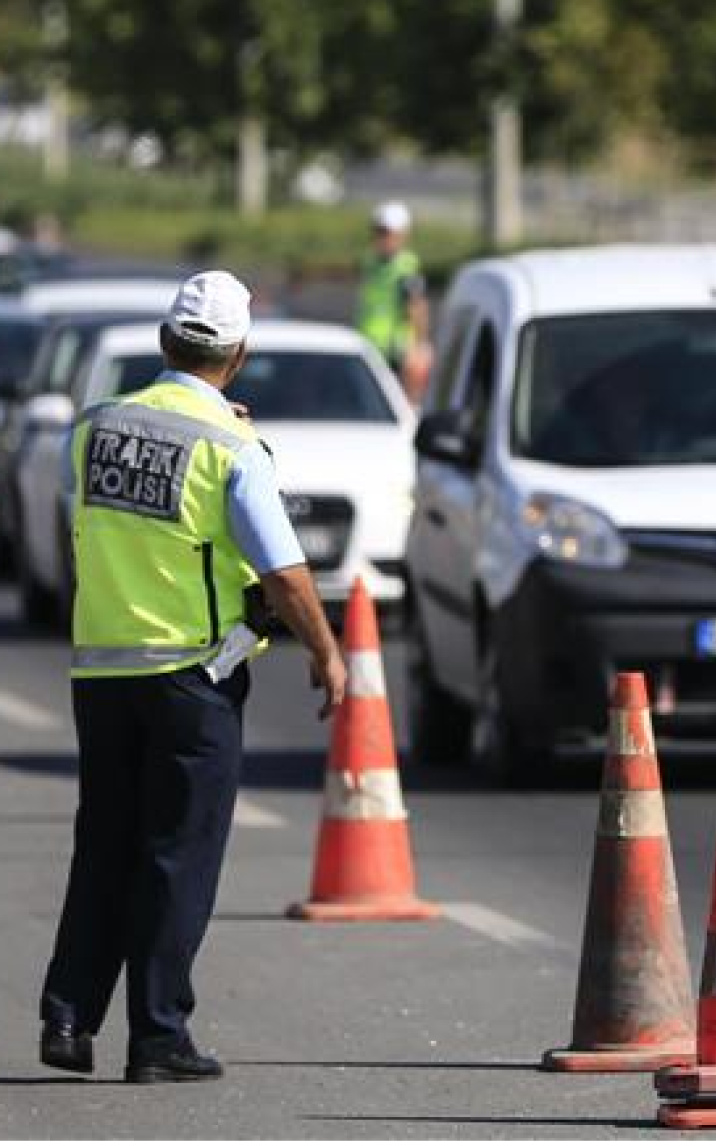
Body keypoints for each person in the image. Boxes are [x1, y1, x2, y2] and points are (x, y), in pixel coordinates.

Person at [39, 271, 347, 1083]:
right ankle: (158, 1035)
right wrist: (328, 651)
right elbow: (282, 573)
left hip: (100, 670)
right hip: (190, 675)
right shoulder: (232, 449)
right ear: (237, 356)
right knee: (177, 855)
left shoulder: (94, 428)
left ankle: (68, 1019)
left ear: (165, 342)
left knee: (104, 844)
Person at [357, 200, 431, 401]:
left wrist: (419, 346)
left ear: (402, 235)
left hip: (395, 353)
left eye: (387, 233)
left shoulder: (406, 267)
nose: (383, 238)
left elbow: (417, 307)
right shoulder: (370, 261)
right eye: (379, 232)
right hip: (368, 345)